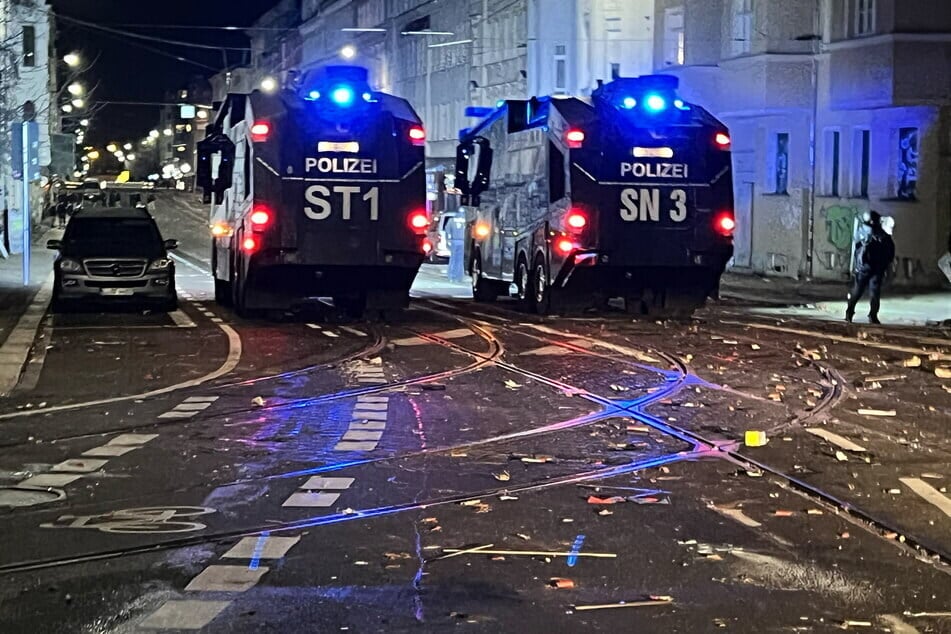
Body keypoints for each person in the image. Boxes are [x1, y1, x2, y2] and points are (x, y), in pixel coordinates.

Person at [846, 210, 895, 324]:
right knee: (871, 293)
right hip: (872, 267)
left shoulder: (865, 231)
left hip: (869, 267)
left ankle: (851, 313)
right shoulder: (876, 233)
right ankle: (870, 315)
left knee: (861, 291)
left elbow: (856, 247)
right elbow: (890, 251)